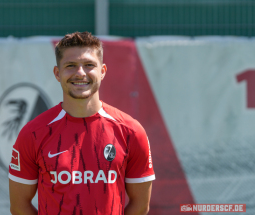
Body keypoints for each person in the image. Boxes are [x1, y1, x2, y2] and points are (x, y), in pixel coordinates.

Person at [9, 31, 155, 215]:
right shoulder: (33, 133)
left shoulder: (131, 132)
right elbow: (19, 206)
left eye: (88, 65)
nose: (80, 73)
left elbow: (140, 205)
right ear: (57, 73)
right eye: (70, 65)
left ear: (102, 72)